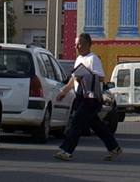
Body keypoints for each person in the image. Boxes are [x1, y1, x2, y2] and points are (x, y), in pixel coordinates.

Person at [52, 32, 122, 161]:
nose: (77, 47)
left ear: (88, 45)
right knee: (97, 125)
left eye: (80, 44)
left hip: (91, 97)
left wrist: (85, 75)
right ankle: (114, 148)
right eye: (75, 44)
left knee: (77, 122)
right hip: (80, 97)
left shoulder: (93, 59)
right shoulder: (79, 59)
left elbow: (101, 77)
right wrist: (64, 92)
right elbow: (73, 80)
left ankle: (67, 150)